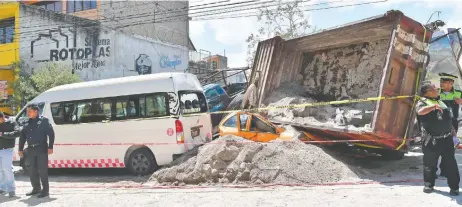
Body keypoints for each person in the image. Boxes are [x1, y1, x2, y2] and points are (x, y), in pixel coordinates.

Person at [416, 82, 460, 195]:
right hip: (431, 140)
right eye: (434, 88)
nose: (437, 89)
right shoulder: (422, 102)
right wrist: (433, 106)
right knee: (430, 165)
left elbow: (447, 117)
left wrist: (452, 131)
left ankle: (454, 187)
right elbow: (420, 112)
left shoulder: (440, 101)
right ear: (428, 92)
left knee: (451, 164)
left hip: (447, 139)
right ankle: (428, 185)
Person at [18, 104, 55, 198]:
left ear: (36, 111)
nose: (27, 113)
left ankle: (45, 191)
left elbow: (51, 134)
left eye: (29, 111)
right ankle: (36, 188)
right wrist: (20, 149)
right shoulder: (26, 122)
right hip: (30, 149)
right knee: (32, 170)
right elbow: (22, 137)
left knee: (42, 170)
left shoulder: (44, 121)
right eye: (27, 111)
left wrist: (50, 147)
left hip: (41, 148)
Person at [437, 73, 462, 178]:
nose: (441, 84)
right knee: (436, 146)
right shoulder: (435, 92)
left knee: (449, 147)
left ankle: (444, 169)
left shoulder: (458, 93)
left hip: (452, 123)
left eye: (444, 82)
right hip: (437, 123)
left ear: (451, 83)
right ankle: (432, 171)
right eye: (441, 81)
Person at [0, 112, 19, 197]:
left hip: (7, 150)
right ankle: (2, 188)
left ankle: (11, 189)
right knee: (0, 170)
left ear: (2, 117)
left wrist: (2, 134)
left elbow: (17, 132)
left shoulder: (12, 123)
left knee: (7, 169)